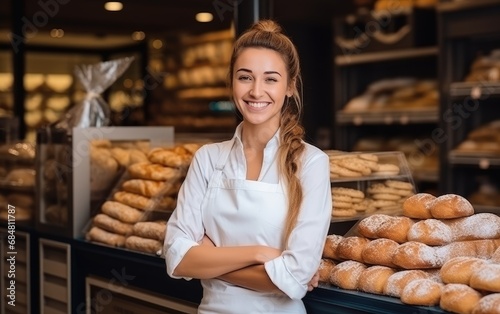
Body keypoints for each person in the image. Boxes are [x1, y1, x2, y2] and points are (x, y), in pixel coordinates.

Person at [164, 19, 332, 313]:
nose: (256, 91)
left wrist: (209, 259)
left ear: (290, 86)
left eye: (270, 79)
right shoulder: (208, 158)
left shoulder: (312, 163)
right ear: (231, 81)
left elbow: (295, 276)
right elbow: (176, 259)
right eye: (245, 77)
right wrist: (261, 254)